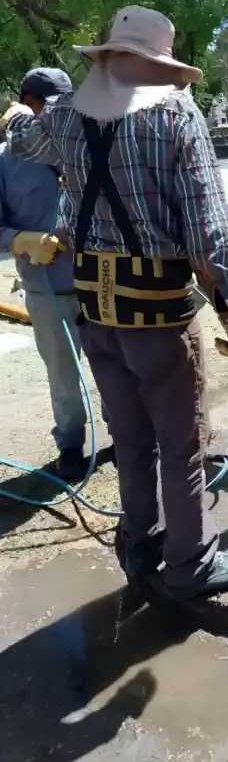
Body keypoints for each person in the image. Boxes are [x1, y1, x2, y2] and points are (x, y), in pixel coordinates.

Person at [3, 5, 228, 601]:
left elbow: (20, 141)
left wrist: (17, 116)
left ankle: (140, 545)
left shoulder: (64, 115)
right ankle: (191, 563)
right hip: (158, 314)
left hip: (94, 308)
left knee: (132, 436)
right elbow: (207, 229)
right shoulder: (176, 116)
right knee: (181, 441)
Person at [0, 68, 98, 481]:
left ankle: (126, 436)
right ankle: (71, 445)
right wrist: (22, 240)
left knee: (117, 367)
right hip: (47, 288)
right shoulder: (5, 161)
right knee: (62, 373)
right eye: (47, 107)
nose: (57, 117)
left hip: (101, 282)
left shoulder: (88, 144)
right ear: (27, 102)